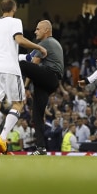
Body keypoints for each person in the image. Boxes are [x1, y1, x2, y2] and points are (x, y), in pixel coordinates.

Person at [0, 0, 47, 155]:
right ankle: (2, 137)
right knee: (18, 103)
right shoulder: (15, 22)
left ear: (2, 9)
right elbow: (19, 40)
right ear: (14, 8)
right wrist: (38, 46)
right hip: (9, 68)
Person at [19, 20, 64, 156]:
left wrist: (25, 88)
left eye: (38, 29)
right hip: (47, 82)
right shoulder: (54, 43)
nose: (35, 31)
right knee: (37, 116)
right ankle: (41, 148)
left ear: (46, 30)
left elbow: (33, 63)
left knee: (22, 64)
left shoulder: (45, 43)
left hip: (48, 76)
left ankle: (18, 89)